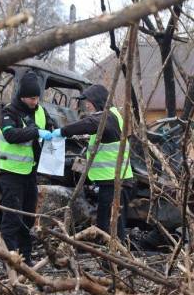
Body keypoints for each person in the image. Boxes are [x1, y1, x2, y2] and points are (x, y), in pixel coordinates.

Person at [52, 84, 133, 240]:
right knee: (109, 226)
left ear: (98, 100)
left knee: (109, 228)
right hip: (111, 182)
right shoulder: (111, 116)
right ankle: (113, 260)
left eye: (88, 101)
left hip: (115, 183)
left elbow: (89, 123)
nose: (87, 104)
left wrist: (62, 131)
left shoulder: (107, 118)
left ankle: (114, 261)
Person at [0, 71, 54, 265]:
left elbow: (49, 124)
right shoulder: (9, 111)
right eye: (32, 98)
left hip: (30, 172)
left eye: (37, 97)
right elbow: (10, 135)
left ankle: (25, 257)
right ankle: (10, 258)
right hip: (11, 172)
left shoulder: (40, 110)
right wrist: (35, 132)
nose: (35, 101)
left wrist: (54, 132)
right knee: (11, 217)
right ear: (22, 96)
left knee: (27, 217)